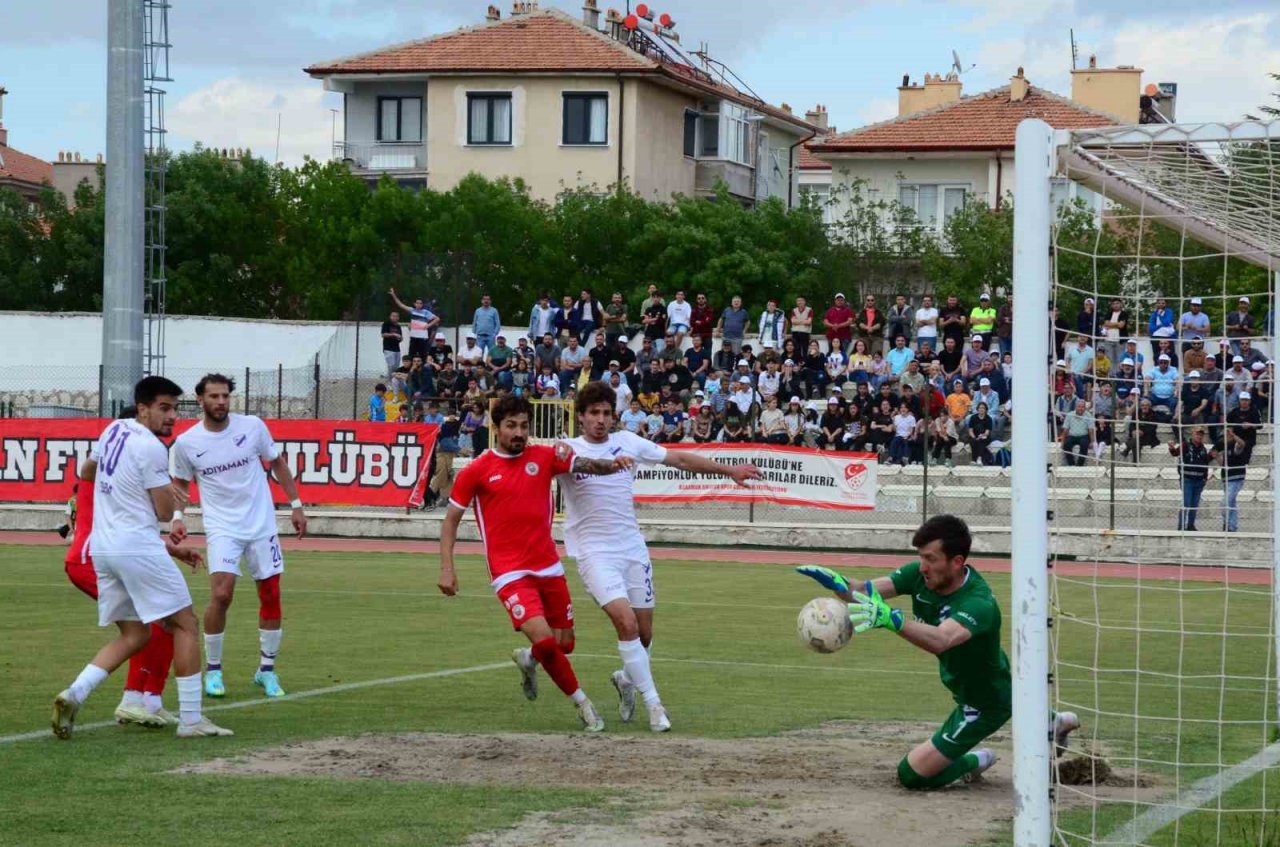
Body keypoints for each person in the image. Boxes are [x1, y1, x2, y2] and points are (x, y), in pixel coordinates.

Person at [797, 515, 1079, 790]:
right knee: (1010, 693)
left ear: (957, 562)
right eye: (921, 556)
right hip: (981, 681)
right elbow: (865, 591)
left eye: (931, 558)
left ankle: (975, 760)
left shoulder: (979, 604)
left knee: (912, 774)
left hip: (985, 702)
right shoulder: (920, 576)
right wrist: (839, 584)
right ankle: (1054, 720)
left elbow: (941, 640)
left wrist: (892, 620)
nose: (922, 566)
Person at [562, 383, 760, 728]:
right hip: (595, 553)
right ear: (581, 416)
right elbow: (545, 471)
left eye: (607, 413)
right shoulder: (566, 450)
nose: (600, 420)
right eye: (594, 413)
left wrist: (730, 471)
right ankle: (655, 706)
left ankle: (626, 680)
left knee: (644, 634)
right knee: (625, 623)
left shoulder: (630, 442)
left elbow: (680, 458)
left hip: (632, 549)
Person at [52, 377, 233, 739]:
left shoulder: (114, 429)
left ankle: (75, 692)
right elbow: (165, 513)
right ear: (143, 408)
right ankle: (192, 720)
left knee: (135, 634)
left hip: (104, 549)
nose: (171, 417)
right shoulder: (151, 448)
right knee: (185, 623)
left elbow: (87, 471)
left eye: (175, 409)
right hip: (136, 546)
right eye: (164, 408)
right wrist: (169, 491)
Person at [439, 395, 629, 732]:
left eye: (524, 426)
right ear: (495, 428)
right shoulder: (477, 471)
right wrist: (447, 568)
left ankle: (528, 660)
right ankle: (584, 706)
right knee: (545, 641)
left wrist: (613, 464)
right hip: (509, 572)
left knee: (564, 644)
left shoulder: (543, 457)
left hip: (549, 566)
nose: (519, 433)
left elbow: (584, 465)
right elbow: (450, 521)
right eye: (511, 426)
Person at [63, 410, 203, 729]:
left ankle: (131, 697)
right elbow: (141, 521)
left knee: (150, 628)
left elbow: (130, 527)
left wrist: (170, 550)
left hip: (103, 553)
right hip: (92, 557)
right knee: (164, 621)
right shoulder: (112, 471)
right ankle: (136, 699)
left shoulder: (108, 468)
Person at [169, 375, 306, 700]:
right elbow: (180, 484)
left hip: (261, 524)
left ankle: (266, 671)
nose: (221, 402)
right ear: (199, 400)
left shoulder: (253, 426)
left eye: (225, 396)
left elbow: (277, 463)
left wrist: (296, 504)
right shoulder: (187, 443)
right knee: (222, 593)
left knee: (271, 594)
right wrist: (177, 517)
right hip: (223, 528)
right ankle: (213, 671)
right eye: (214, 397)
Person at [1169, 426, 1215, 531]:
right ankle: (1181, 526)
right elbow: (1175, 453)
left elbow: (1205, 463)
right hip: (1187, 480)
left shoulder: (1203, 448)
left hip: (1199, 481)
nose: (1199, 436)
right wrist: (1171, 447)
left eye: (1201, 434)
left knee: (1194, 505)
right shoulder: (1185, 445)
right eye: (1197, 434)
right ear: (1192, 434)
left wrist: (1204, 479)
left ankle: (1190, 525)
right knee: (1186, 503)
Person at [389, 288, 439, 360]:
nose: (419, 304)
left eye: (420, 303)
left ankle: (421, 371)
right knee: (411, 356)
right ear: (415, 304)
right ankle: (411, 371)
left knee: (423, 356)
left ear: (422, 304)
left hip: (422, 338)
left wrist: (428, 325)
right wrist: (393, 295)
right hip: (414, 337)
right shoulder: (412, 310)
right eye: (417, 303)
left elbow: (437, 319)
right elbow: (400, 305)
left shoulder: (425, 312)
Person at [1059, 398, 1095, 467]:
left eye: (1082, 407)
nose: (1081, 408)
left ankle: (1079, 465)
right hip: (1072, 436)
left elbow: (1091, 430)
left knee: (1084, 445)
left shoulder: (1088, 415)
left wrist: (1092, 441)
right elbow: (1065, 429)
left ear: (1085, 408)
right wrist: (1062, 442)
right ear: (1075, 407)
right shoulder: (1069, 415)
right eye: (1079, 406)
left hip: (1084, 436)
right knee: (1066, 445)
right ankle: (1071, 464)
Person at [1099, 297, 1128, 365]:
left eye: (1117, 303)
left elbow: (1121, 326)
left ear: (1120, 304)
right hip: (1108, 339)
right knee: (1109, 360)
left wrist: (1110, 324)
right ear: (1111, 305)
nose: (1115, 305)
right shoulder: (1108, 313)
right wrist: (1117, 324)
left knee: (1120, 360)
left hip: (1120, 340)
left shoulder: (1124, 314)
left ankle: (1119, 375)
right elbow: (1106, 324)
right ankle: (1110, 375)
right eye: (1114, 304)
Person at [380, 310, 404, 379]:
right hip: (388, 348)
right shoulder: (386, 324)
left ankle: (394, 381)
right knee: (391, 365)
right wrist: (394, 334)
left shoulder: (398, 326)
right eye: (393, 316)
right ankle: (389, 382)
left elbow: (401, 337)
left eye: (396, 316)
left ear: (398, 318)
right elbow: (383, 334)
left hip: (397, 349)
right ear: (390, 317)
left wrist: (400, 338)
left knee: (396, 367)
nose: (395, 317)